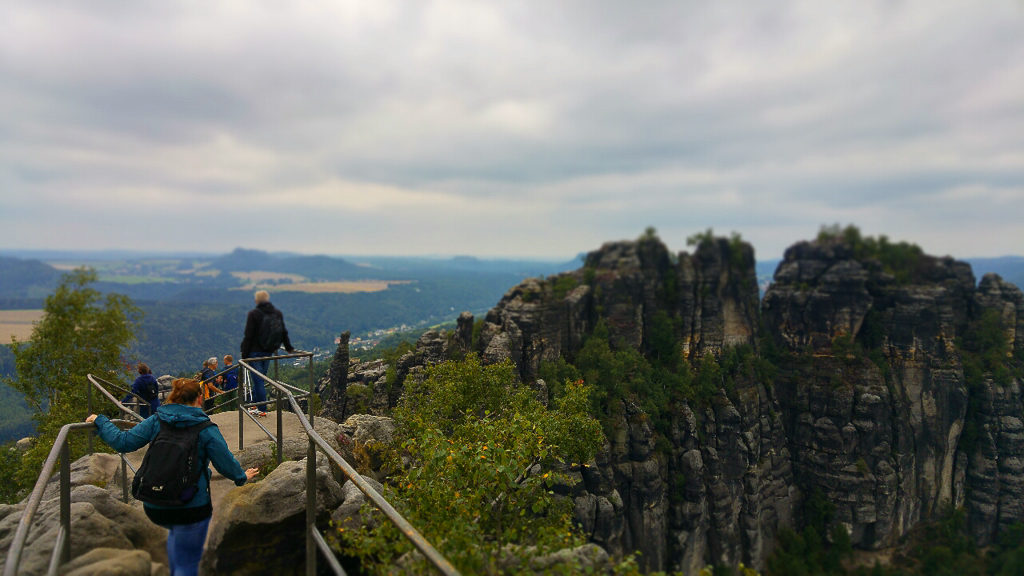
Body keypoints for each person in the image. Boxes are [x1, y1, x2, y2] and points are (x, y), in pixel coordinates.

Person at [86, 378, 259, 576]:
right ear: (200, 399)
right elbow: (226, 464)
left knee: (177, 538)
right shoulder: (206, 429)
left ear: (174, 396)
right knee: (188, 564)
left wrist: (100, 420)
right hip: (190, 507)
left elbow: (123, 442)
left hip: (155, 504)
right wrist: (242, 477)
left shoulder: (157, 420)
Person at [240, 290, 295, 415]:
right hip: (269, 351)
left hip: (254, 353)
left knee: (258, 380)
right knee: (260, 379)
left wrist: (244, 355)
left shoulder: (253, 314)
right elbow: (283, 332)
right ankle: (254, 404)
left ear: (256, 301)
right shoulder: (277, 313)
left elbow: (248, 335)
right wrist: (288, 347)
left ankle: (262, 409)